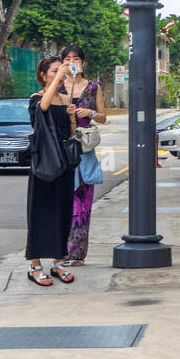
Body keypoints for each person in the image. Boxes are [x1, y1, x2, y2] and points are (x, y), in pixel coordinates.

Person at [26, 57, 76, 286]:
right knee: (40, 213)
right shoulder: (37, 98)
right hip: (44, 163)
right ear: (44, 74)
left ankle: (58, 262)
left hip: (64, 163)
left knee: (62, 212)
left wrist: (72, 116)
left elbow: (71, 134)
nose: (60, 74)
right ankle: (35, 266)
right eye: (54, 71)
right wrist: (57, 80)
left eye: (61, 71)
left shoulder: (66, 99)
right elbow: (43, 108)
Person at [57, 43, 106, 266]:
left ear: (83, 63)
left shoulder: (93, 87)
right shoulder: (57, 87)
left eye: (76, 59)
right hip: (62, 151)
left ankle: (77, 254)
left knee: (82, 205)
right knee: (63, 203)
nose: (72, 62)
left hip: (84, 151)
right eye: (67, 59)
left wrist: (92, 112)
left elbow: (104, 117)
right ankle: (61, 250)